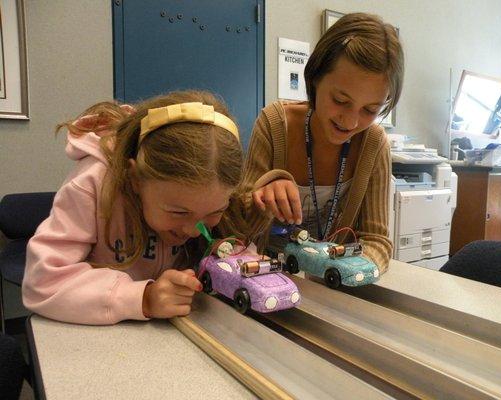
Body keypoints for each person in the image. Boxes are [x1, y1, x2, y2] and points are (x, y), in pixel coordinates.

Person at [22, 90, 244, 325]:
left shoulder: (212, 191)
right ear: (135, 178)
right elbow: (41, 283)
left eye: (215, 213)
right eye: (178, 212)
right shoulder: (93, 184)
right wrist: (143, 298)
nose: (193, 230)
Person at [244, 13, 404, 273]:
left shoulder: (374, 145)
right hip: (266, 278)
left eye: (370, 109)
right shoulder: (274, 125)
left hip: (332, 285)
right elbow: (235, 225)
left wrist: (349, 271)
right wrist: (263, 194)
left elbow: (377, 241)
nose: (351, 121)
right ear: (315, 78)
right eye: (340, 100)